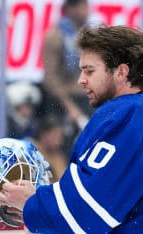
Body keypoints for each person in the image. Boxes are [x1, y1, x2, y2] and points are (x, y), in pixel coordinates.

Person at [0, 25, 143, 233]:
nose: (81, 80)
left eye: (90, 71)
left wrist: (31, 202)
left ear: (121, 72)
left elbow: (84, 217)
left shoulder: (130, 119)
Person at [40, 0, 91, 153]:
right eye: (81, 6)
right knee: (61, 149)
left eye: (86, 6)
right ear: (70, 9)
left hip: (88, 99)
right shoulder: (55, 36)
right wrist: (69, 107)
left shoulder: (91, 35)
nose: (86, 10)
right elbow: (50, 78)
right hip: (62, 102)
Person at [31, 114, 68, 183]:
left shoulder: (58, 157)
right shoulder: (28, 150)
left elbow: (64, 183)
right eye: (55, 135)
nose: (59, 141)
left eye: (61, 136)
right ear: (43, 134)